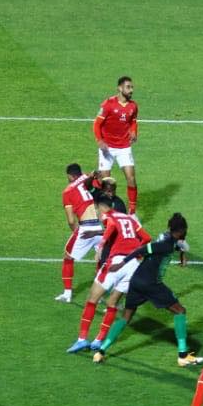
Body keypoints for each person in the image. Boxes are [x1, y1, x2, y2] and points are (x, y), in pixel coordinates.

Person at [91, 212, 202, 367]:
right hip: (151, 284)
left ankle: (101, 351)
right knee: (180, 311)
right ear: (181, 230)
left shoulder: (168, 240)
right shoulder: (165, 244)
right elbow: (141, 250)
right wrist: (121, 263)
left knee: (126, 317)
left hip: (136, 281)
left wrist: (182, 253)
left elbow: (176, 245)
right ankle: (183, 355)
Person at [66, 199, 150, 354]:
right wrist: (136, 253)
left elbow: (110, 226)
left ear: (100, 207)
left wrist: (100, 246)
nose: (97, 214)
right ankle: (99, 340)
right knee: (112, 303)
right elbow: (147, 238)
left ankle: (82, 339)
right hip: (133, 265)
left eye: (96, 210)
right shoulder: (129, 219)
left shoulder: (109, 216)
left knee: (92, 299)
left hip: (116, 263)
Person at [56, 163, 102, 303]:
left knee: (68, 257)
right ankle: (100, 293)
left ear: (70, 176)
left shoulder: (67, 191)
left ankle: (67, 294)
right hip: (100, 227)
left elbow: (71, 220)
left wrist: (76, 232)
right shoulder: (88, 177)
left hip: (86, 228)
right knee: (101, 259)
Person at [93, 76, 139, 214]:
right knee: (106, 183)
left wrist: (134, 131)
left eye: (132, 87)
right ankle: (106, 211)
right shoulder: (108, 104)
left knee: (131, 178)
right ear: (120, 88)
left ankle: (132, 212)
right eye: (128, 87)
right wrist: (99, 140)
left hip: (124, 147)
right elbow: (97, 124)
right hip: (107, 148)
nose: (131, 90)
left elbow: (133, 121)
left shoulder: (133, 106)